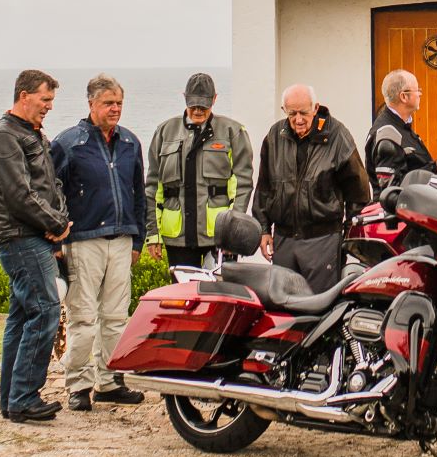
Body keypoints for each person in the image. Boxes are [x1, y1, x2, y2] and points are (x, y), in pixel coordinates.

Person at [0, 69, 72, 422]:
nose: (49, 107)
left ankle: (11, 399)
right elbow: (19, 195)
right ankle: (24, 398)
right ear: (23, 95)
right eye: (44, 99)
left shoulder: (28, 134)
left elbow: (49, 186)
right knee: (45, 311)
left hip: (35, 237)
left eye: (51, 101)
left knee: (21, 318)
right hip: (21, 240)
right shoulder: (3, 138)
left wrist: (57, 222)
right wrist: (56, 224)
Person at [49, 73, 147, 412]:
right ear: (91, 104)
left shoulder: (131, 143)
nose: (115, 108)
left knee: (117, 316)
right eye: (108, 103)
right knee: (83, 317)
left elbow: (139, 194)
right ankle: (78, 385)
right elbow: (52, 193)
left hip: (121, 240)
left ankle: (110, 381)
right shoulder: (68, 144)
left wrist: (139, 240)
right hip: (83, 241)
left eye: (119, 102)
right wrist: (58, 240)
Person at [254, 84, 369, 291]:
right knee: (283, 306)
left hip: (323, 240)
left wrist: (350, 236)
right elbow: (264, 187)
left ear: (315, 108)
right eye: (292, 113)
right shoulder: (274, 136)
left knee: (320, 307)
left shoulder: (338, 135)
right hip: (284, 240)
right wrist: (263, 229)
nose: (298, 119)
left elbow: (358, 190)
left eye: (304, 113)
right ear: (284, 111)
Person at [143, 72, 254, 272]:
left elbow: (243, 185)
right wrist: (153, 233)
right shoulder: (164, 132)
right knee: (185, 299)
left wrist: (233, 232)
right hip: (178, 238)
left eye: (204, 105)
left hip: (219, 237)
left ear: (215, 99)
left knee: (219, 298)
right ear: (184, 98)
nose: (198, 110)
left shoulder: (233, 132)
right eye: (193, 105)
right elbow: (153, 187)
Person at [365, 68, 437, 192]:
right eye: (417, 90)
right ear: (404, 96)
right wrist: (434, 168)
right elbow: (392, 191)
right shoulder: (388, 137)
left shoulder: (400, 127)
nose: (420, 94)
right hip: (400, 211)